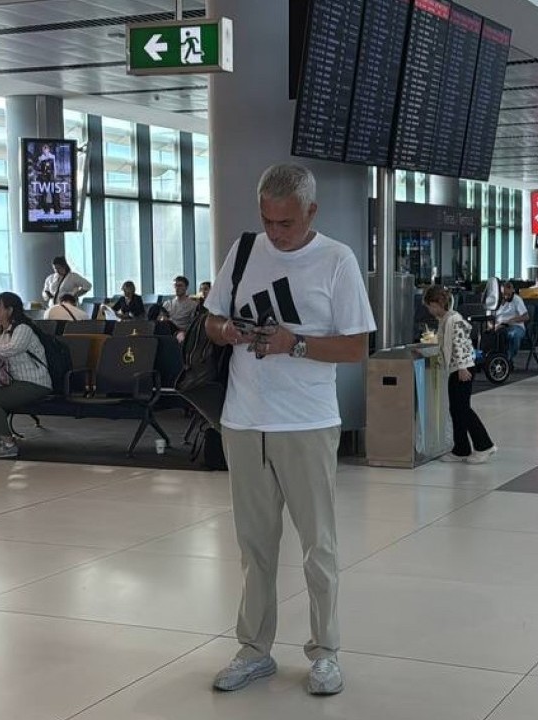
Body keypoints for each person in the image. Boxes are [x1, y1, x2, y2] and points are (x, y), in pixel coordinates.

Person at [204, 163, 374, 697]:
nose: (277, 232)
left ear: (311, 213)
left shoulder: (337, 260)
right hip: (244, 420)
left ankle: (325, 652)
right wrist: (227, 329)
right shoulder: (246, 250)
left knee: (317, 545)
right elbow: (209, 321)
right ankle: (254, 648)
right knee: (254, 546)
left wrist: (293, 343)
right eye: (268, 220)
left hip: (306, 423)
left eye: (287, 223)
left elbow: (356, 347)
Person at [0, 292, 52, 459]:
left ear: (9, 310)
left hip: (34, 383)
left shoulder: (23, 328)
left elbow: (12, 349)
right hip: (12, 382)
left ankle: (8, 443)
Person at [423, 286, 496, 463]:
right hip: (455, 369)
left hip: (462, 369)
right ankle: (461, 448)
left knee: (463, 408)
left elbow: (461, 344)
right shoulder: (445, 320)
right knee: (455, 409)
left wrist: (463, 367)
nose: (430, 311)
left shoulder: (454, 320)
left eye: (430, 307)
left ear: (437, 304)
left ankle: (484, 445)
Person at [492, 282, 529, 364]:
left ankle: (507, 360)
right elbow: (490, 318)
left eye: (508, 294)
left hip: (515, 326)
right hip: (499, 326)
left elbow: (526, 317)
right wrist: (493, 326)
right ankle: (495, 359)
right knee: (490, 335)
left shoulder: (517, 299)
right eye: (503, 294)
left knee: (514, 335)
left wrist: (513, 320)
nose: (506, 296)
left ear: (512, 291)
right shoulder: (495, 301)